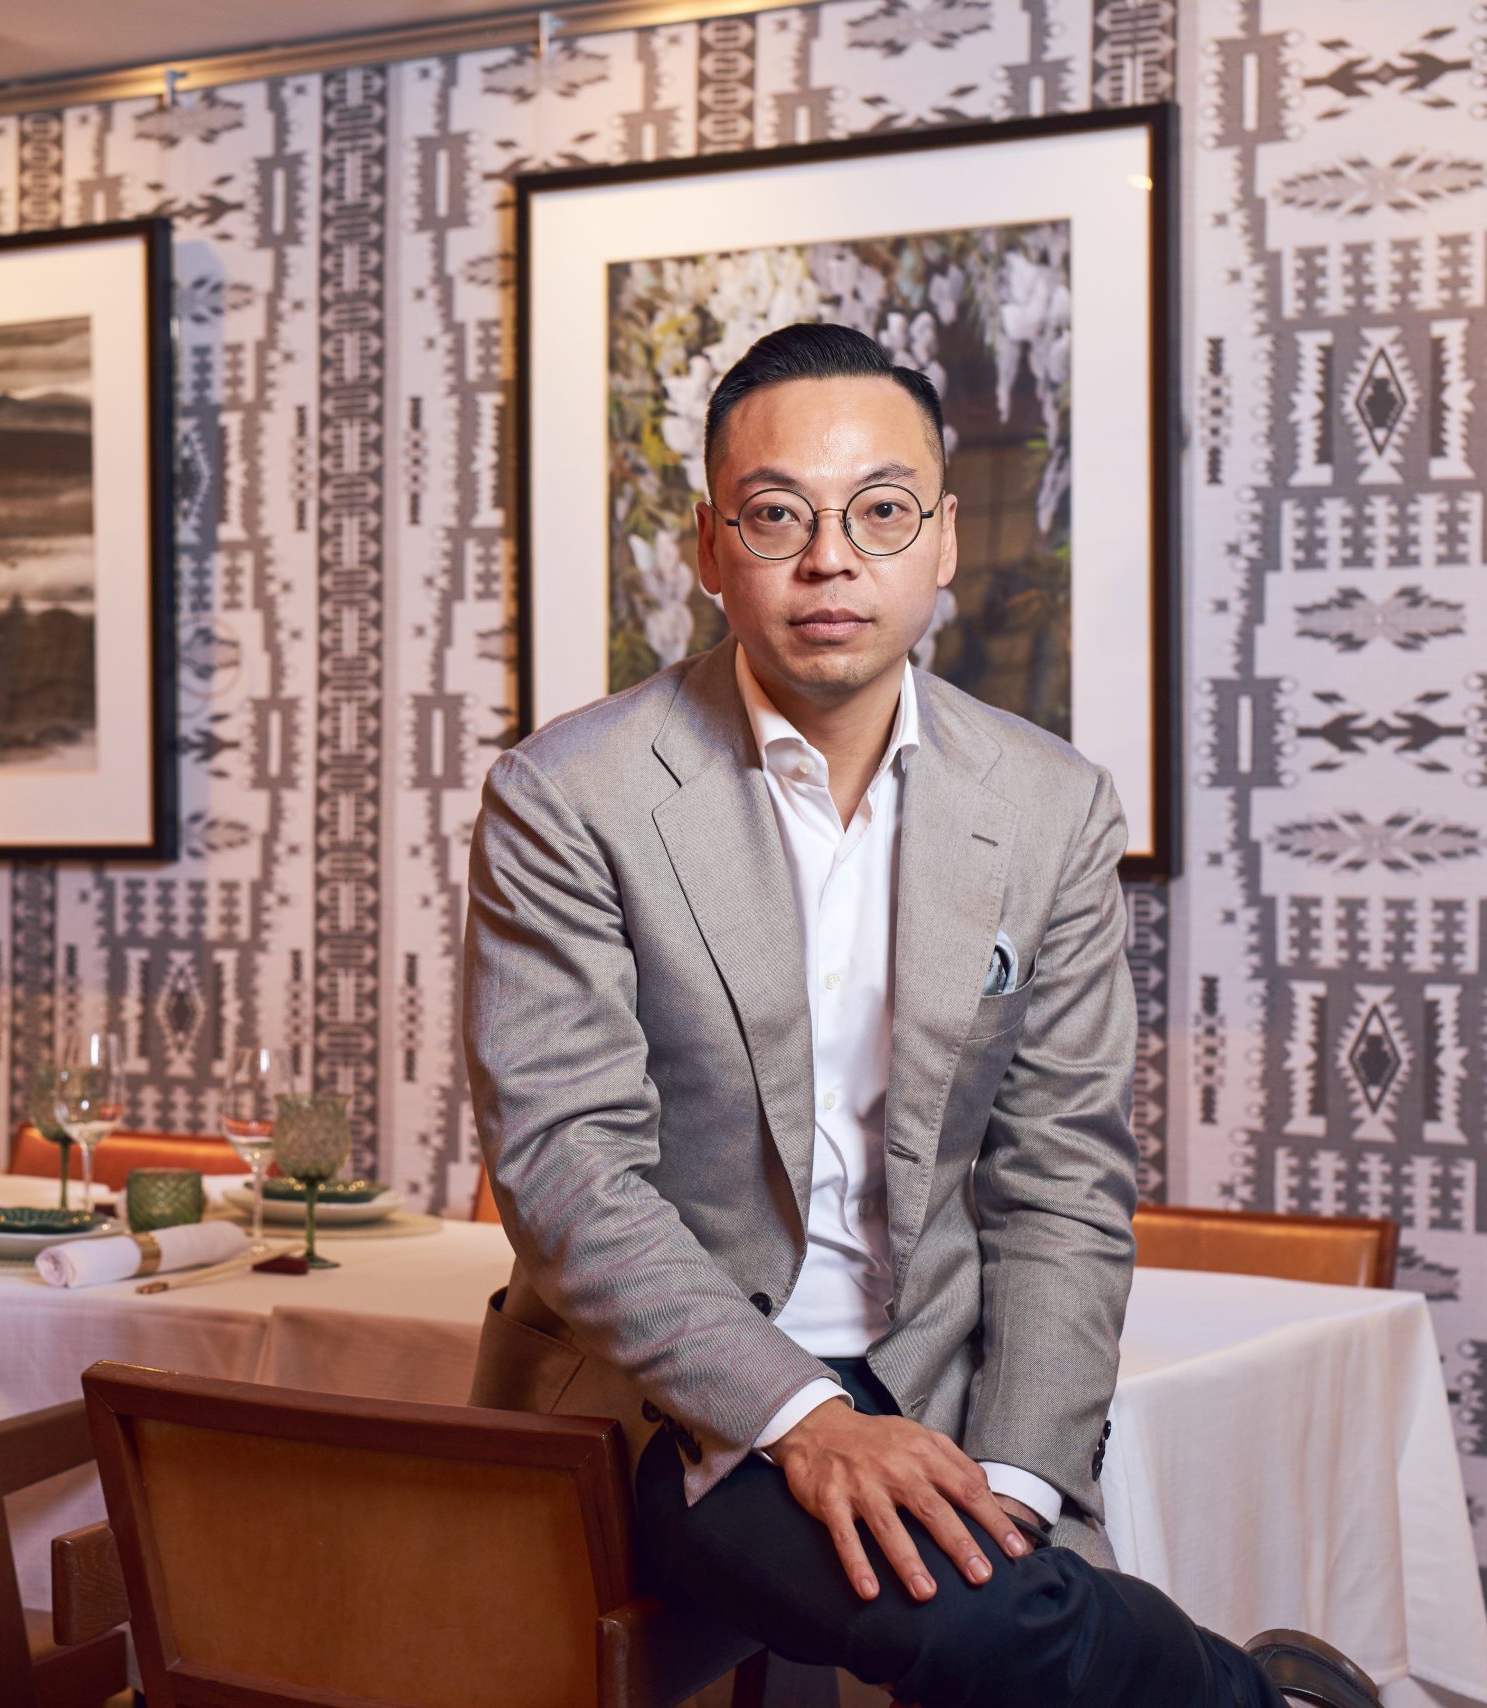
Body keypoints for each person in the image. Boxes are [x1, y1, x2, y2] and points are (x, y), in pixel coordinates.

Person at [463, 322, 1380, 1708]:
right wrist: (805, 1418)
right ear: (713, 547)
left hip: (943, 1379)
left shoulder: (1048, 804)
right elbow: (569, 1176)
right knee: (967, 1630)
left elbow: (1060, 1179)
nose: (832, 558)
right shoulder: (566, 796)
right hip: (669, 1401)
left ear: (942, 541)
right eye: (779, 515)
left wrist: (1010, 1479)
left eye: (881, 512)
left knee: (998, 1613)